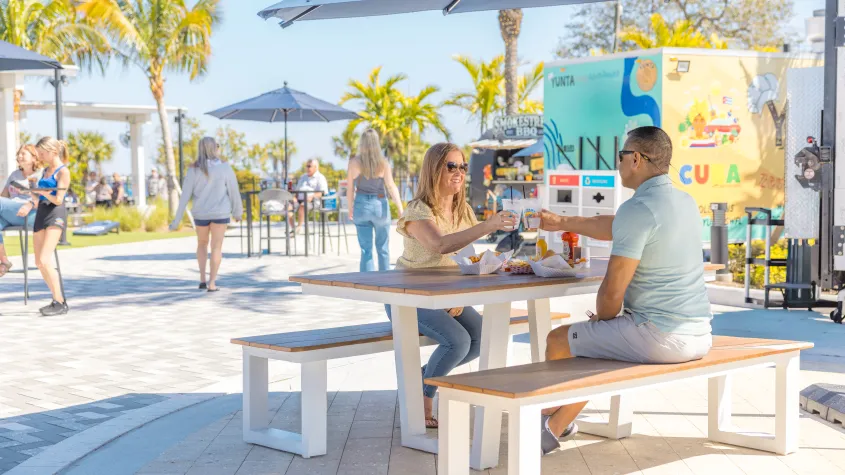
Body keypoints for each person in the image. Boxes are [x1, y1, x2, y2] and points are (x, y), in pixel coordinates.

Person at [537, 126, 713, 455]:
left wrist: (601, 319)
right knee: (595, 338)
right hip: (700, 334)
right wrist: (563, 223)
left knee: (560, 340)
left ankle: (550, 423)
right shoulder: (684, 201)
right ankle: (561, 421)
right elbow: (615, 224)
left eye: (620, 156)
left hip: (661, 336)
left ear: (635, 159)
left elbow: (611, 293)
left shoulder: (639, 209)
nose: (617, 163)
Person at [390, 142, 517, 428]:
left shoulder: (463, 211)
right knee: (457, 341)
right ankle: (424, 395)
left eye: (462, 166)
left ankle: (422, 377)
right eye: (451, 166)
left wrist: (460, 293)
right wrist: (490, 225)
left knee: (483, 337)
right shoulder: (417, 210)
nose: (459, 171)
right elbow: (441, 245)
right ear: (434, 170)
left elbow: (463, 257)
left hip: (445, 294)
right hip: (409, 297)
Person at [170, 137, 242, 292]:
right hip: (220, 213)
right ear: (214, 148)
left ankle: (202, 279)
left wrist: (176, 220)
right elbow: (233, 190)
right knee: (216, 247)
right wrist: (238, 212)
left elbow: (185, 196)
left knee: (202, 243)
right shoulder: (224, 167)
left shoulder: (193, 169)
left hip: (200, 213)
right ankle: (212, 283)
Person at [346, 129, 403, 271]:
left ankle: (367, 285)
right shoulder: (383, 163)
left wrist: (350, 208)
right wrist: (400, 208)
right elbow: (391, 186)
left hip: (361, 206)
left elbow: (349, 188)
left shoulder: (354, 162)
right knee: (383, 249)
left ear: (362, 143)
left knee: (366, 251)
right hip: (380, 206)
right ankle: (385, 283)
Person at [31, 137, 71, 316]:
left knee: (46, 260)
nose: (40, 156)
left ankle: (59, 301)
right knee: (39, 262)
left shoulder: (63, 172)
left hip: (55, 214)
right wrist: (32, 195)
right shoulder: (45, 170)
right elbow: (41, 197)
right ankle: (56, 300)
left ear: (52, 152)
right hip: (41, 213)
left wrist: (42, 192)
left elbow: (58, 199)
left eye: (42, 153)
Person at [0, 145, 42, 277]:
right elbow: (4, 197)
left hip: (31, 213)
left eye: (23, 154)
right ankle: (4, 261)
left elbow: (44, 199)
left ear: (34, 157)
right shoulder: (14, 175)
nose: (19, 156)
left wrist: (29, 204)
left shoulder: (40, 174)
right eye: (18, 154)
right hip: (12, 212)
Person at [294, 158, 328, 234]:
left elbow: (323, 192)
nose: (307, 168)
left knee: (303, 205)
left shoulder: (320, 177)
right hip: (299, 199)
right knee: (288, 206)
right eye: (306, 166)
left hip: (313, 202)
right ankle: (293, 229)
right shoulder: (303, 177)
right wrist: (295, 197)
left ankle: (299, 226)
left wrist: (312, 196)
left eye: (309, 166)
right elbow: (297, 190)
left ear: (315, 167)